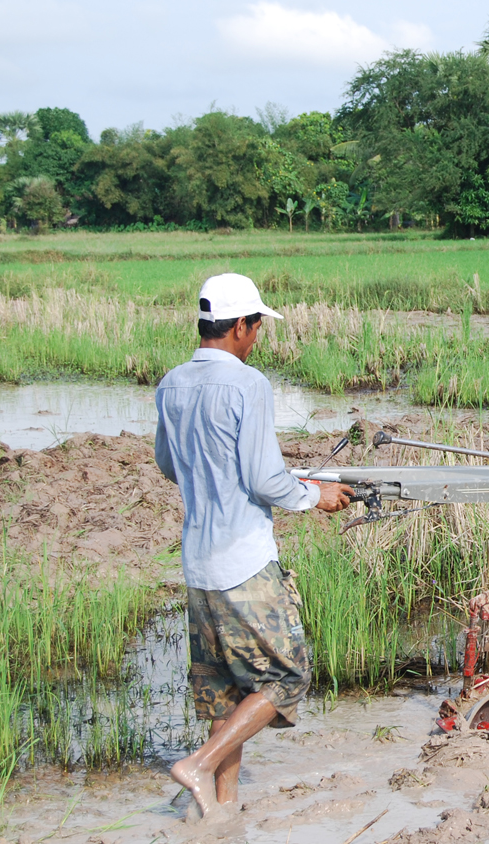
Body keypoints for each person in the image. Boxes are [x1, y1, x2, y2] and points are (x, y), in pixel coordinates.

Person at [153, 272, 353, 820]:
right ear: (240, 325)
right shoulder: (248, 384)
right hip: (243, 561)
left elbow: (169, 464)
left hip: (197, 563)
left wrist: (214, 472)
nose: (258, 337)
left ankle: (221, 814)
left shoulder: (171, 384)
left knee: (224, 693)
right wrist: (314, 494)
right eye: (257, 326)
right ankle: (199, 765)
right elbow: (265, 480)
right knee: (288, 676)